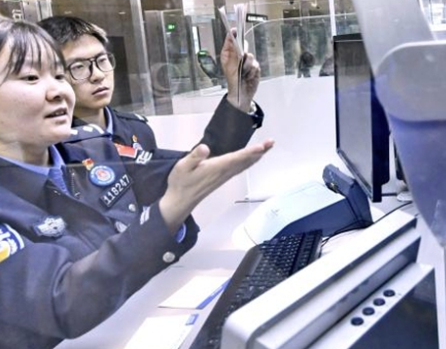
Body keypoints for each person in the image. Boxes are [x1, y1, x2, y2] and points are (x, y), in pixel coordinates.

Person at [0, 20, 274, 348]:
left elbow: (189, 170)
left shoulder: (92, 149)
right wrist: (168, 210)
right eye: (31, 77)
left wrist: (237, 100)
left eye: (59, 75)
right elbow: (62, 300)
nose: (58, 90)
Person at [38, 15, 263, 155]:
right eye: (78, 67)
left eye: (102, 60)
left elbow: (190, 171)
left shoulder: (136, 130)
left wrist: (238, 97)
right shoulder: (45, 148)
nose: (97, 75)